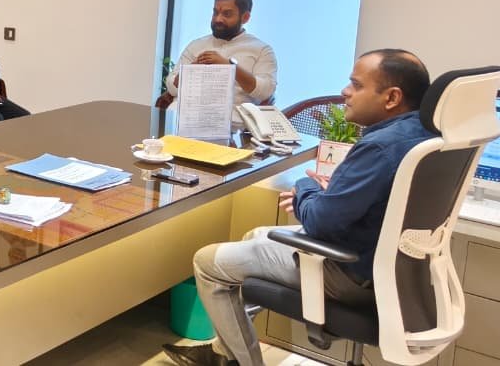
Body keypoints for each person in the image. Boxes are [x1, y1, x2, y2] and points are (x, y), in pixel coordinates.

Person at [162, 50, 432, 366]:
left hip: (347, 271)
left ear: (392, 98)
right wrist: (333, 194)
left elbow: (320, 222)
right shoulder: (422, 135)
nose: (345, 92)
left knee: (207, 262)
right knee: (255, 236)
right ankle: (225, 353)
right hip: (387, 268)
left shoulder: (379, 147)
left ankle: (240, 362)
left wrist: (306, 189)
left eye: (357, 85)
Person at [166, 0, 277, 113]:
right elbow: (171, 87)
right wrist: (189, 72)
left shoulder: (261, 50)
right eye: (215, 13)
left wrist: (231, 67)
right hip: (186, 115)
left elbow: (266, 91)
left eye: (227, 14)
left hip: (233, 120)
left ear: (245, 17)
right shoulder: (196, 45)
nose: (218, 19)